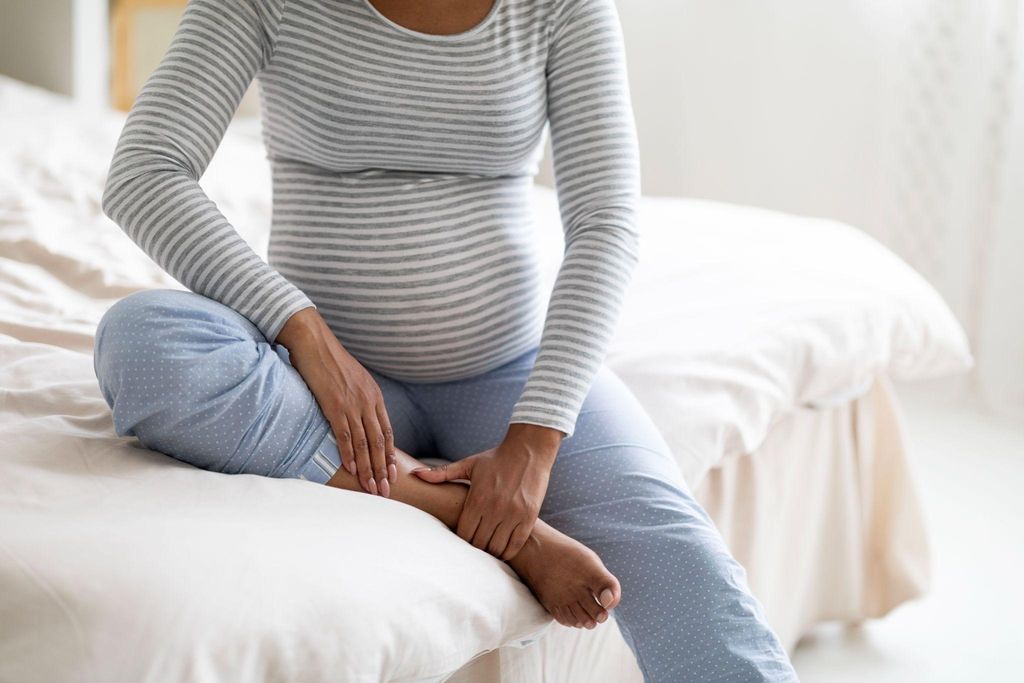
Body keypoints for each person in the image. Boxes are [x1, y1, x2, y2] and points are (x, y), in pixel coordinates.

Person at [92, 0, 798, 679]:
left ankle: (435, 483)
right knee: (143, 343)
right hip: (319, 387)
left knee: (681, 562)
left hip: (509, 379)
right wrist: (305, 334)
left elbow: (606, 226)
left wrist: (536, 436)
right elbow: (145, 173)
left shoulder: (562, 6)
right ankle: (464, 512)